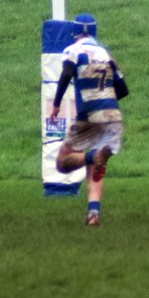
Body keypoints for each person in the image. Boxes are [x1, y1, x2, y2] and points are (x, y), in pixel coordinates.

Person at [49, 14, 126, 226]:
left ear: (75, 32)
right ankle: (93, 213)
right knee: (96, 168)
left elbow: (66, 73)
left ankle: (93, 155)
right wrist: (106, 98)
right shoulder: (105, 54)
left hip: (90, 115)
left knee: (63, 163)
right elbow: (123, 89)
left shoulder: (72, 50)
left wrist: (56, 104)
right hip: (113, 115)